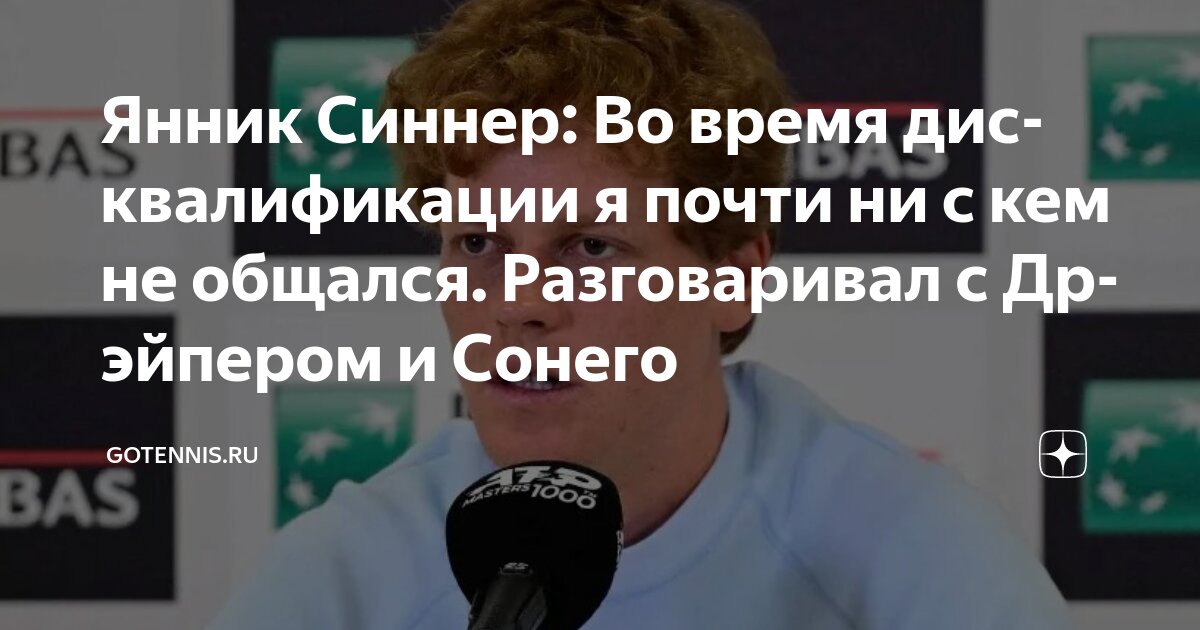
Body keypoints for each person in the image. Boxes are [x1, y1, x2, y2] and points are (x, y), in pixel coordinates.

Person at [213, 0, 1071, 627]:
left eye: (591, 248)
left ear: (732, 279)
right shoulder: (344, 579)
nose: (517, 306)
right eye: (477, 243)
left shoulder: (915, 555)